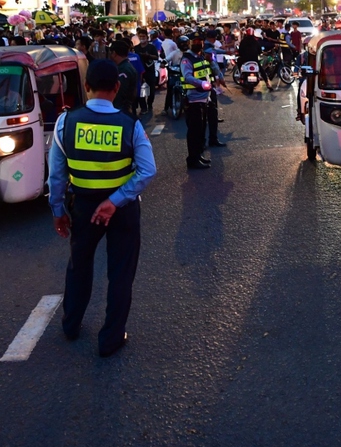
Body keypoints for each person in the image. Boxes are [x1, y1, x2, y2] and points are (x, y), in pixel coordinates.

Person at [47, 60, 156, 358]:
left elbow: (56, 175)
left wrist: (58, 210)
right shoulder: (130, 125)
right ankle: (110, 339)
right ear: (117, 87)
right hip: (121, 210)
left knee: (79, 265)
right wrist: (114, 201)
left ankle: (71, 324)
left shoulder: (65, 123)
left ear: (85, 86)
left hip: (82, 207)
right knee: (120, 273)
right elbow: (147, 171)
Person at [181, 34, 215, 169]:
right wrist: (201, 84)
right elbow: (188, 77)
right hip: (193, 100)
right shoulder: (186, 59)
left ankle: (198, 155)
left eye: (200, 41)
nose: (198, 43)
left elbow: (206, 72)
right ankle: (192, 159)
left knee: (201, 131)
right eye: (195, 41)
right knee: (194, 132)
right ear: (190, 43)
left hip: (204, 99)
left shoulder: (201, 56)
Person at [202, 30, 227, 147]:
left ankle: (211, 139)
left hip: (207, 84)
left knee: (212, 110)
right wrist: (221, 78)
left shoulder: (206, 48)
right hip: (200, 88)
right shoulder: (205, 50)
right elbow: (214, 65)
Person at [109, 39, 139, 116]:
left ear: (114, 53)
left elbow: (121, 92)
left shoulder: (123, 70)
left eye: (110, 53)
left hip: (121, 110)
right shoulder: (125, 67)